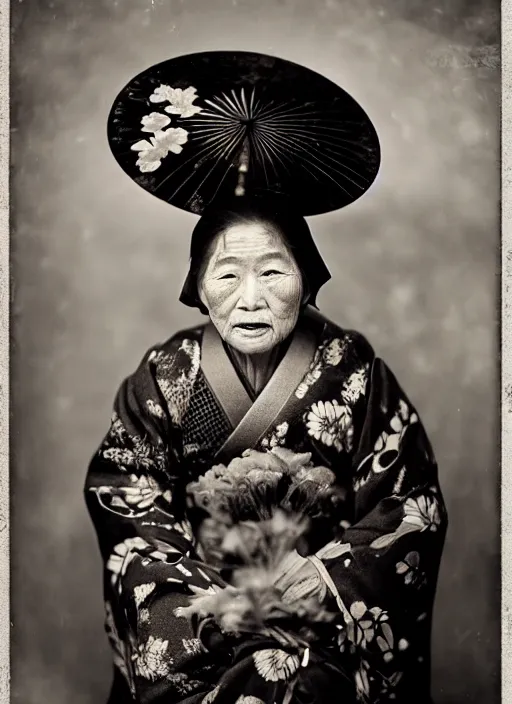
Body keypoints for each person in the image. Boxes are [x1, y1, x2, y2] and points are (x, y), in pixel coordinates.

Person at [85, 51, 447, 704]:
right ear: (197, 287)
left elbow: (408, 507)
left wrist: (326, 579)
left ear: (308, 281)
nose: (250, 297)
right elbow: (128, 509)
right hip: (204, 621)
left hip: (321, 622)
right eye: (227, 275)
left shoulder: (353, 373)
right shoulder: (165, 380)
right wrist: (213, 604)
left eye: (274, 272)